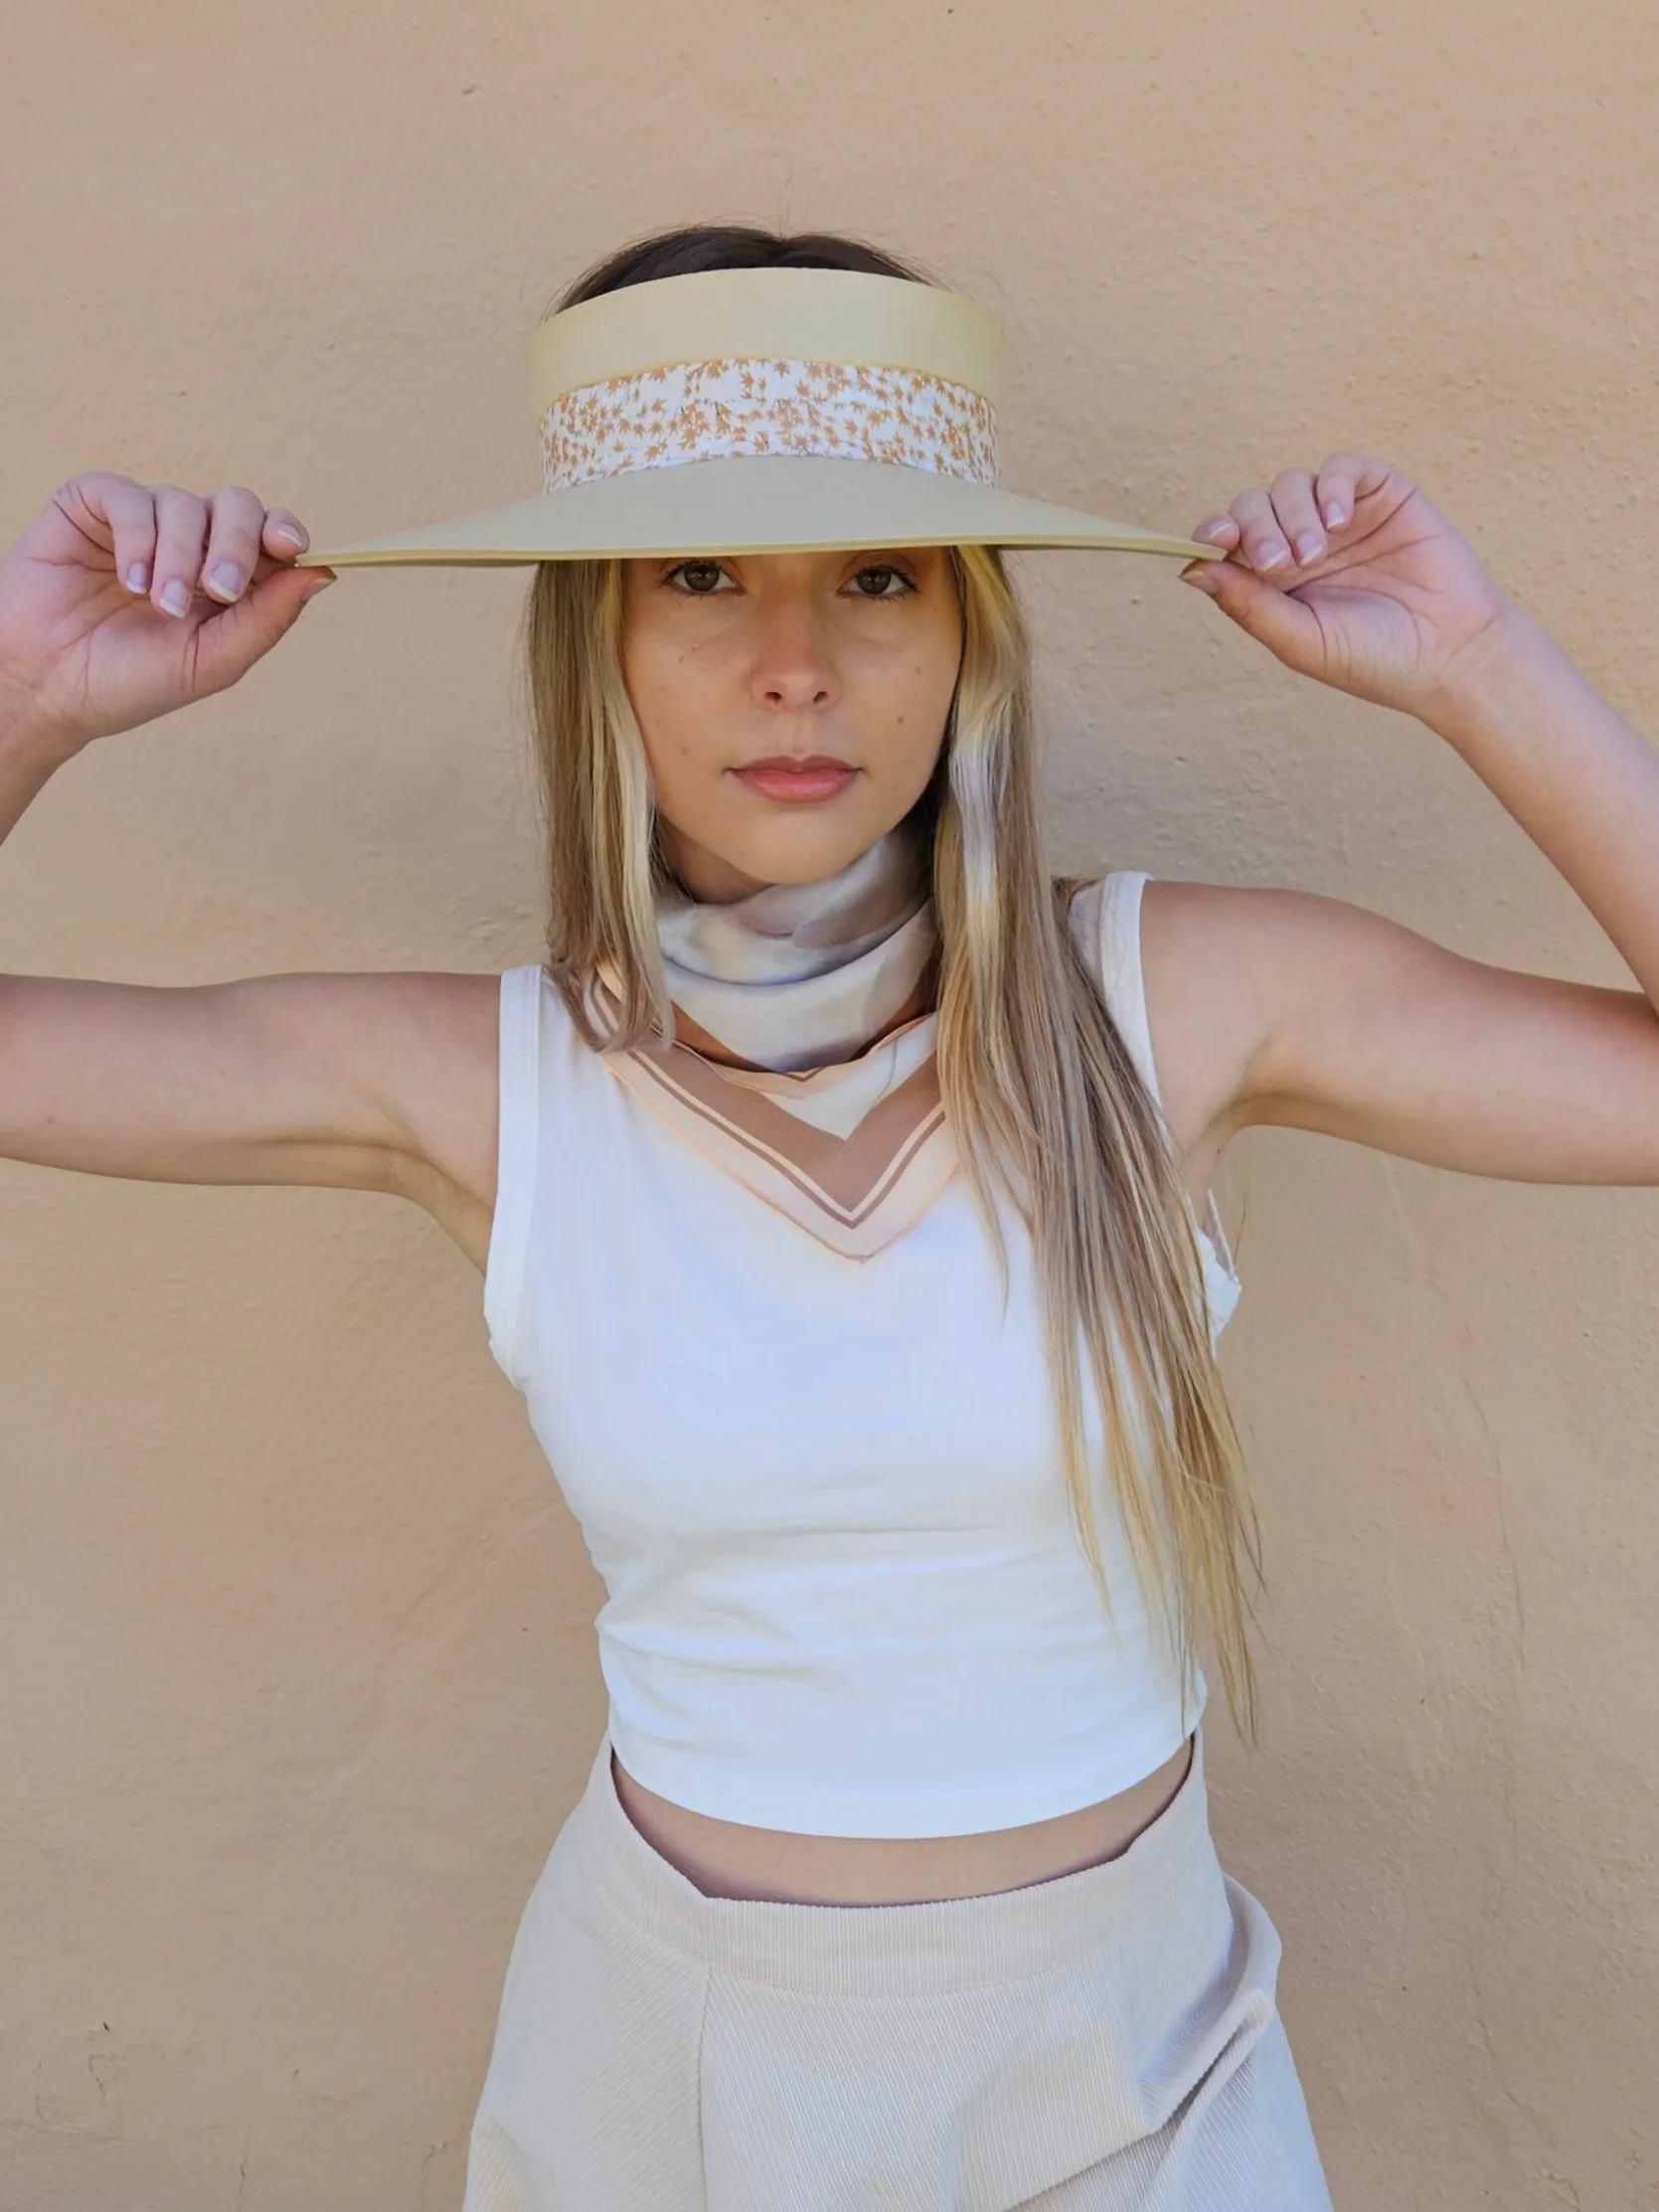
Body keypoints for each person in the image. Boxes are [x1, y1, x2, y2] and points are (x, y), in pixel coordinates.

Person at [1, 223, 1654, 2211]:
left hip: (1149, 2069)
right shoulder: (494, 1086)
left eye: (877, 574)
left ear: (969, 632)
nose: (797, 663)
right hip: (674, 2085)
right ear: (591, 634)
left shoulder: (1167, 1000)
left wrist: (1476, 666)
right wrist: (34, 689)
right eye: (700, 573)